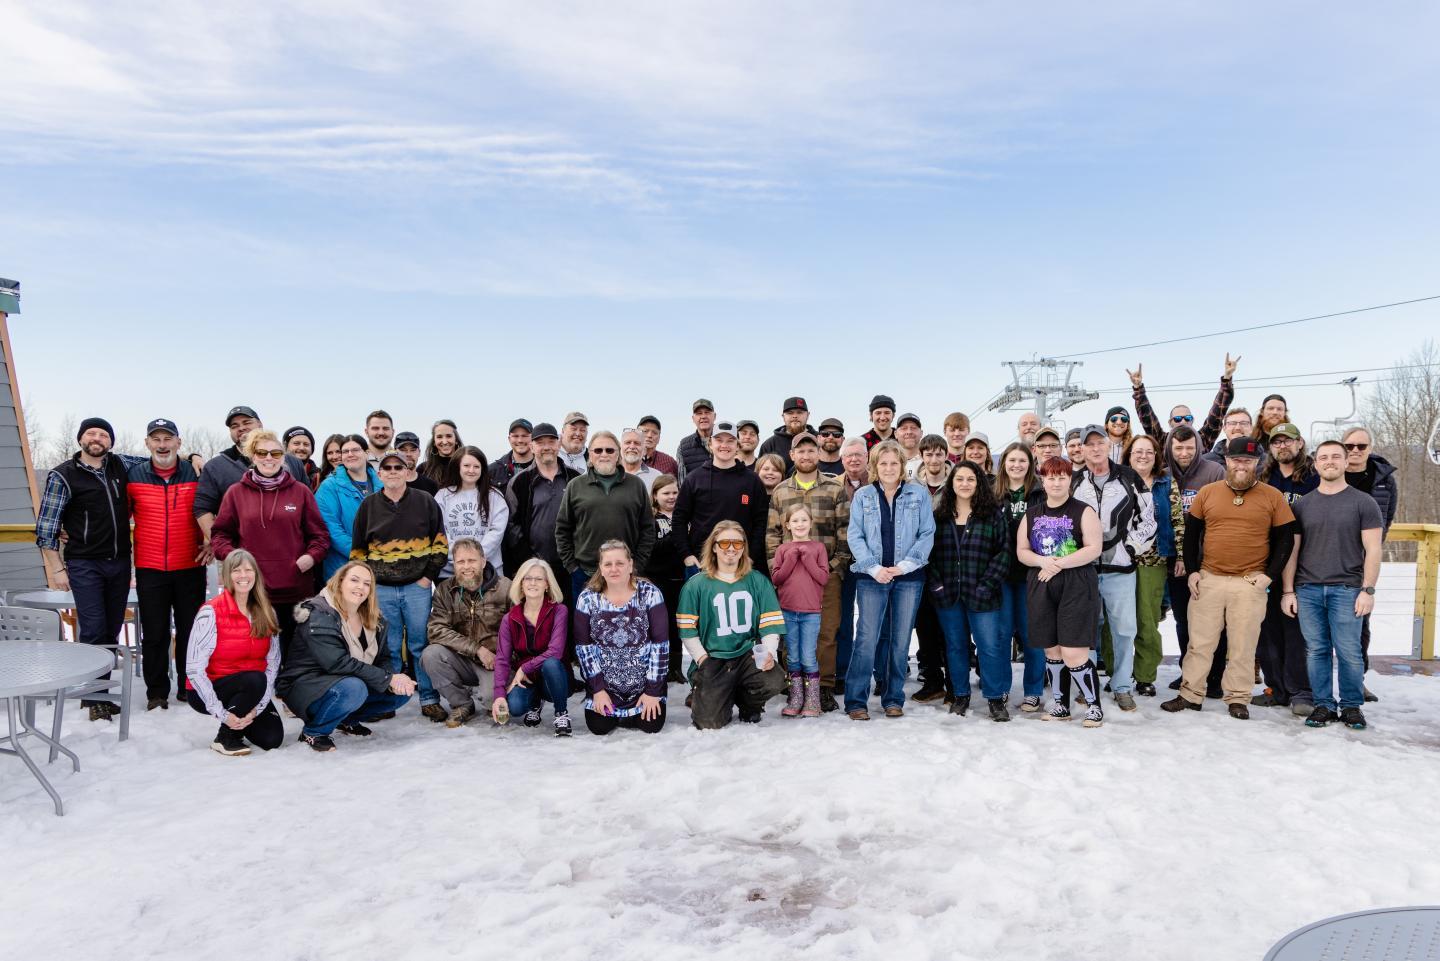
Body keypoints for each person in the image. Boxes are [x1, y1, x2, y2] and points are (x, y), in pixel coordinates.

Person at [1162, 436, 1297, 720]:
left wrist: (1269, 577)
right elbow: (1192, 535)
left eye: (1248, 461)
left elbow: (1286, 540)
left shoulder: (1272, 496)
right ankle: (1190, 694)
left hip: (1250, 582)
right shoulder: (1208, 493)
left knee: (1243, 645)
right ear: (1226, 461)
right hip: (1210, 578)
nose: (1241, 465)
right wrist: (1194, 570)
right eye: (1236, 459)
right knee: (1199, 643)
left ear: (1257, 463)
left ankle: (1237, 698)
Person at [36, 417, 146, 720]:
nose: (97, 438)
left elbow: (160, 459)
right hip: (85, 563)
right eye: (91, 433)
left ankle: (99, 691)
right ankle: (95, 697)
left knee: (112, 629)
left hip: (120, 562)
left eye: (103, 434)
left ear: (110, 441)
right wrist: (57, 569)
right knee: (94, 629)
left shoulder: (120, 464)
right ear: (81, 439)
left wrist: (193, 458)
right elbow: (46, 527)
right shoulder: (63, 475)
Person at [1281, 440, 1383, 730]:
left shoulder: (1363, 503)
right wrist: (1288, 590)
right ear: (1315, 464)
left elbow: (1373, 550)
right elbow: (1293, 551)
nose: (1329, 462)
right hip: (1308, 589)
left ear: (1345, 462)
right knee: (1316, 650)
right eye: (1323, 457)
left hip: (1348, 589)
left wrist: (1368, 589)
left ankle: (1351, 706)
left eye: (1335, 457)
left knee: (1349, 650)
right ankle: (1323, 705)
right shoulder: (1303, 505)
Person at [211, 429, 329, 664]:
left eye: (275, 453)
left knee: (295, 652)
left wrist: (309, 558)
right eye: (262, 452)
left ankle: (291, 695)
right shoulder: (236, 493)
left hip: (295, 587)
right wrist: (236, 559)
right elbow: (220, 536)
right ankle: (262, 698)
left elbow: (320, 537)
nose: (269, 458)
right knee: (259, 652)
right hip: (255, 590)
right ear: (252, 456)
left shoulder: (301, 492)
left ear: (283, 457)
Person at [350, 448, 449, 720]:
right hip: (381, 588)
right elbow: (358, 552)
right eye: (387, 468)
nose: (393, 472)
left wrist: (427, 577)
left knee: (420, 644)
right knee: (389, 647)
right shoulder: (368, 506)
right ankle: (390, 700)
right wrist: (369, 584)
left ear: (407, 472)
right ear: (379, 473)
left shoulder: (425, 501)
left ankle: (429, 699)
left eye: (398, 467)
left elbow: (440, 544)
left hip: (417, 587)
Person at [278, 562, 417, 752]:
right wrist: (388, 678)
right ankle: (314, 731)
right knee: (354, 688)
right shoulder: (320, 613)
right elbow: (336, 663)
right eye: (354, 580)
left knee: (400, 693)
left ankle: (345, 720)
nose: (361, 587)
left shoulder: (374, 618)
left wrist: (394, 680)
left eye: (367, 583)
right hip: (306, 684)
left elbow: (383, 658)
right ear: (340, 582)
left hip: (346, 681)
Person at [843, 440, 936, 720]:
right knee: (867, 638)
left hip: (909, 577)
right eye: (882, 463)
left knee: (900, 640)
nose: (888, 468)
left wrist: (906, 565)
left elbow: (927, 533)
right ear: (874, 466)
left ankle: (893, 698)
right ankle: (856, 700)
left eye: (894, 463)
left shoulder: (918, 495)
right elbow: (854, 535)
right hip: (872, 577)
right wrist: (873, 568)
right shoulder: (863, 497)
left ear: (902, 466)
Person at [1070, 424, 1156, 712]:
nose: (1095, 448)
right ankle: (1087, 684)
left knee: (1124, 629)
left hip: (1120, 570)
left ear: (1109, 446)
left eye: (1099, 443)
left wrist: (1130, 548)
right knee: (1086, 630)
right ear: (1080, 449)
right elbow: (1064, 521)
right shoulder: (1074, 482)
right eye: (1088, 444)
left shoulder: (1129, 478)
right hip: (1083, 571)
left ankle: (1121, 686)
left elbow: (1148, 520)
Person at [1017, 456, 1105, 727]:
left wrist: (1058, 564)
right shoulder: (1032, 514)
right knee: (1052, 651)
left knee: (1073, 652)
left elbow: (1094, 548)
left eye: (1061, 476)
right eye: (1050, 477)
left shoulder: (1083, 510)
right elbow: (1022, 551)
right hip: (1041, 586)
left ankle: (1093, 706)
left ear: (1070, 479)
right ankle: (1060, 705)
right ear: (1042, 480)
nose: (1056, 482)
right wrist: (1042, 561)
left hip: (1076, 585)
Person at [765, 432, 850, 711]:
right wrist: (777, 571)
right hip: (791, 578)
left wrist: (835, 568)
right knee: (793, 632)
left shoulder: (834, 488)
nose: (805, 455)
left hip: (825, 576)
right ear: (792, 455)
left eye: (810, 450)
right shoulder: (781, 491)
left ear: (818, 454)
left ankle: (823, 687)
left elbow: (844, 532)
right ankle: (795, 686)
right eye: (799, 451)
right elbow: (772, 535)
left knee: (825, 632)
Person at [127, 417, 207, 710]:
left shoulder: (195, 472)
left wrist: (211, 539)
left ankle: (188, 686)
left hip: (190, 564)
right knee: (155, 631)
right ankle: (157, 691)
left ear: (178, 442)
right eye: (156, 439)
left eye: (167, 439)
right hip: (150, 567)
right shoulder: (133, 475)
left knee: (191, 629)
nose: (162, 445)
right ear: (147, 443)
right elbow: (119, 518)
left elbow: (213, 508)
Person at [677, 520, 787, 729]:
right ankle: (718, 698)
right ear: (714, 546)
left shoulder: (757, 581)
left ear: (744, 547)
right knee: (709, 723)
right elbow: (687, 630)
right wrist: (702, 659)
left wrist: (769, 653)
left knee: (774, 679)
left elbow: (770, 624)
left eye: (737, 544)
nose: (731, 549)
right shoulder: (696, 585)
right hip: (714, 657)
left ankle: (749, 704)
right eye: (724, 543)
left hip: (747, 654)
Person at [929, 461, 1012, 721]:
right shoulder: (939, 516)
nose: (964, 484)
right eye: (959, 479)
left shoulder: (993, 514)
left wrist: (988, 584)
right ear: (951, 483)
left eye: (970, 479)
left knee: (990, 646)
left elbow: (1004, 553)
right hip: (948, 594)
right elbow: (927, 554)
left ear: (979, 484)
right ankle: (960, 696)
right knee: (955, 647)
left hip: (983, 593)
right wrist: (938, 585)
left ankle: (995, 699)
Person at [184, 550, 284, 755]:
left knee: (272, 739)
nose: (243, 576)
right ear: (227, 576)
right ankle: (226, 736)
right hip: (211, 689)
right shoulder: (210, 612)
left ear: (256, 574)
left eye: (249, 570)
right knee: (254, 679)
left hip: (253, 690)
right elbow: (194, 669)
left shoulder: (267, 612)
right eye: (236, 571)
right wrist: (222, 714)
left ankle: (240, 720)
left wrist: (257, 708)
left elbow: (273, 663)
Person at [1254, 422, 1318, 713]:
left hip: (1305, 565)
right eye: (1276, 442)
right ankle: (1276, 688)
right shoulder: (1264, 479)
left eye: (1287, 441)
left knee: (1296, 632)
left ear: (1300, 443)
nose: (1282, 446)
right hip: (1268, 564)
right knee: (1267, 632)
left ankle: (1301, 691)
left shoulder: (1314, 478)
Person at [575, 540, 669, 734]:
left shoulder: (650, 594)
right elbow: (584, 648)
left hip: (643, 686)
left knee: (651, 726)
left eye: (620, 563)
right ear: (600, 568)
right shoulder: (587, 598)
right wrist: (598, 690)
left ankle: (645, 701)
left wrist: (652, 691)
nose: (614, 569)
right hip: (606, 688)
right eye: (608, 564)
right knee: (599, 727)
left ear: (630, 565)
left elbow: (661, 646)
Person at [194, 406, 308, 559]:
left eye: (246, 422)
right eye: (234, 426)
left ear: (260, 425)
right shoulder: (216, 467)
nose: (241, 428)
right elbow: (203, 508)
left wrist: (308, 554)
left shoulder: (292, 462)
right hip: (242, 561)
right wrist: (222, 547)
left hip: (289, 557)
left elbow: (308, 509)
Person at [555, 430, 657, 602]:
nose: (604, 454)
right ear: (590, 454)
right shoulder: (575, 486)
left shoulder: (636, 485)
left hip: (626, 574)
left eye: (609, 450)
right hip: (585, 574)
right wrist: (572, 567)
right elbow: (562, 529)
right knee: (584, 627)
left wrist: (637, 566)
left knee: (625, 626)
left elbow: (648, 528)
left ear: (618, 454)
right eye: (598, 450)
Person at [420, 537, 511, 727]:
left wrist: (504, 658)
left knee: (491, 700)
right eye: (461, 561)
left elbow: (518, 630)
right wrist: (477, 649)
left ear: (483, 561)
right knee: (430, 655)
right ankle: (462, 704)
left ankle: (490, 696)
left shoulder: (505, 588)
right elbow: (436, 629)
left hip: (495, 662)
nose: (466, 566)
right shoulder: (445, 590)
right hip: (462, 659)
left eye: (472, 560)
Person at [1164, 425, 1226, 695]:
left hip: (1209, 561)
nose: (1184, 453)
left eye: (1190, 447)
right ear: (1170, 448)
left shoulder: (1214, 473)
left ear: (1199, 447)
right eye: (1178, 448)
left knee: (1213, 621)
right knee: (1183, 621)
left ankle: (1215, 676)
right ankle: (1189, 672)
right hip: (1176, 562)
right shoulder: (1163, 475)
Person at [1342, 425, 1397, 696]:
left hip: (1362, 561)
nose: (1355, 451)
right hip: (1325, 558)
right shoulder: (1328, 472)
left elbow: (1386, 521)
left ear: (1370, 449)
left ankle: (1357, 681)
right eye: (1350, 446)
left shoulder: (1384, 480)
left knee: (1360, 624)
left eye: (1361, 446)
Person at [674, 420, 769, 575]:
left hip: (740, 564)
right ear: (710, 444)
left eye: (730, 441)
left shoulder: (752, 481)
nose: (724, 445)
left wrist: (751, 557)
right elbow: (679, 519)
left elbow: (761, 522)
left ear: (737, 446)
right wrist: (686, 555)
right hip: (701, 565)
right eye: (719, 440)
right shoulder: (694, 479)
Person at [493, 557, 571, 734]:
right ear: (521, 584)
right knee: (515, 706)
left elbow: (556, 651)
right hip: (528, 679)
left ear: (547, 585)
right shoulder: (509, 619)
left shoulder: (559, 611)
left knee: (551, 663)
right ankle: (535, 703)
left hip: (555, 676)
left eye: (539, 579)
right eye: (528, 578)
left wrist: (524, 668)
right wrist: (498, 695)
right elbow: (502, 659)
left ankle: (561, 714)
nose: (533, 583)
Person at [995, 442, 1046, 711]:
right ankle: (1001, 687)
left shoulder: (1039, 493)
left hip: (1032, 575)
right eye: (1012, 460)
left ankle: (1033, 690)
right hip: (1001, 575)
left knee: (1032, 635)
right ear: (1004, 463)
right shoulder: (993, 493)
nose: (1016, 465)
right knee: (1001, 634)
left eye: (1022, 461)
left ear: (1030, 464)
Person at [504, 423, 580, 591]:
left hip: (571, 566)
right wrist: (529, 560)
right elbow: (511, 525)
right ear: (531, 446)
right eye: (540, 442)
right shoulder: (519, 482)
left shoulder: (575, 478)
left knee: (569, 614)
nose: (546, 447)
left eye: (551, 442)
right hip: (535, 567)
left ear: (559, 444)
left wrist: (576, 560)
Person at [1121, 434, 1169, 697]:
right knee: (1117, 620)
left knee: (1146, 620)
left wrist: (1181, 557)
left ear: (1156, 456)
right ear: (1129, 455)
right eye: (1138, 451)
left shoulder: (1164, 483)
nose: (1143, 456)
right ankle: (1119, 673)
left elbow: (1176, 521)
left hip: (1153, 560)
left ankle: (1145, 675)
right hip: (1120, 560)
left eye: (1149, 452)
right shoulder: (1118, 481)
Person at [770, 505, 827, 718]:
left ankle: (812, 700)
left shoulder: (818, 548)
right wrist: (792, 559)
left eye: (804, 520)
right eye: (795, 521)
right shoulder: (783, 550)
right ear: (787, 525)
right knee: (792, 656)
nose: (800, 524)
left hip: (811, 612)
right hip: (788, 610)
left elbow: (823, 578)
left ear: (811, 523)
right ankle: (795, 697)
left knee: (808, 656)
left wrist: (807, 559)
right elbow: (777, 579)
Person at [1127, 353, 1238, 451]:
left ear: (1192, 420)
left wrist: (1227, 378)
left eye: (1187, 418)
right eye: (1177, 419)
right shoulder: (1162, 441)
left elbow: (1218, 412)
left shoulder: (1203, 439)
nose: (1183, 421)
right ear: (1170, 423)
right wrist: (1138, 388)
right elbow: (1148, 417)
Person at [434, 445, 508, 578]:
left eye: (476, 466)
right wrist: (461, 558)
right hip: (450, 572)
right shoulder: (442, 496)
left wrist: (476, 559)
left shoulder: (494, 496)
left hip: (488, 570)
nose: (471, 470)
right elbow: (439, 531)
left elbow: (497, 532)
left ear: (483, 469)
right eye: (466, 465)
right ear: (458, 467)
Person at [314, 434, 379, 579]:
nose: (350, 455)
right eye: (345, 451)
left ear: (366, 453)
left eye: (355, 450)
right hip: (343, 570)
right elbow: (332, 530)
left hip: (382, 570)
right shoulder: (329, 487)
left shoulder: (382, 485)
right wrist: (366, 556)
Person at [643, 474, 686, 683]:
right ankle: (659, 665)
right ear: (655, 495)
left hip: (681, 579)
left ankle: (676, 668)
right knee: (660, 624)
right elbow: (651, 549)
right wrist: (676, 536)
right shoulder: (652, 520)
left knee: (677, 625)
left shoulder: (684, 517)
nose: (671, 497)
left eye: (675, 492)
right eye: (666, 493)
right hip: (658, 579)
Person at [757, 397, 814, 471]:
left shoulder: (819, 439)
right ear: (783, 416)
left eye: (799, 412)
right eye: (790, 413)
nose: (795, 416)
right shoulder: (770, 444)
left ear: (808, 415)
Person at [676, 398, 716, 481]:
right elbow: (682, 482)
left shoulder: (726, 441)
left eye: (707, 412)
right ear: (693, 419)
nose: (703, 416)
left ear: (714, 416)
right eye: (699, 413)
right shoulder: (683, 446)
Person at [489, 418, 535, 487]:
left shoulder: (545, 468)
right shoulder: (492, 471)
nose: (520, 440)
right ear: (509, 439)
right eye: (515, 436)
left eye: (524, 436)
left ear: (533, 438)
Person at [419, 419, 463, 486]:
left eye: (449, 436)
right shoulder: (423, 469)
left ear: (456, 440)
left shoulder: (467, 467)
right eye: (439, 437)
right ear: (434, 442)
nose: (444, 442)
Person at [620, 427, 664, 491]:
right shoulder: (610, 474)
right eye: (628, 442)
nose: (632, 447)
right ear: (620, 447)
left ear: (644, 450)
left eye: (637, 443)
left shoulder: (657, 477)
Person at [395, 431, 438, 495]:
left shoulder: (431, 485)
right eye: (403, 450)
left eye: (413, 450)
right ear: (395, 452)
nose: (408, 454)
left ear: (419, 452)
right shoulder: (388, 483)